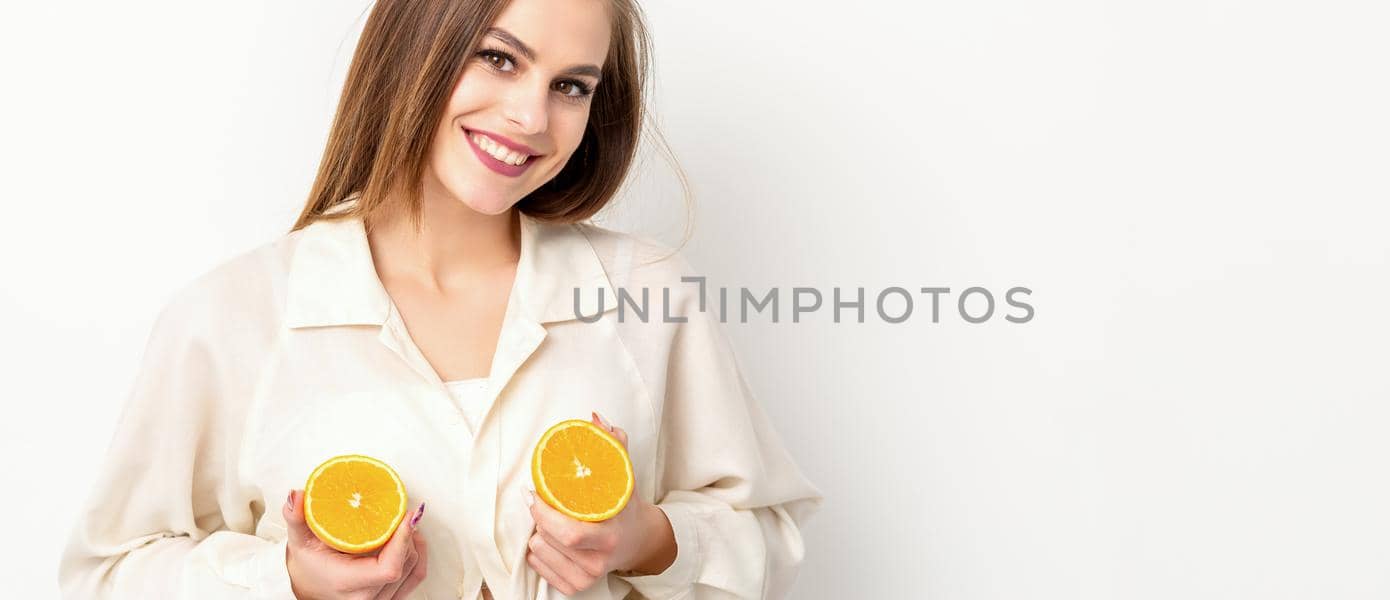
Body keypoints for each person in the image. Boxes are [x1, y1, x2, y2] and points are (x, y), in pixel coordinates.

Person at [56, 0, 823, 598]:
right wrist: (285, 583)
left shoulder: (647, 295)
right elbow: (105, 576)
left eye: (571, 86)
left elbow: (768, 537)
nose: (531, 118)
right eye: (497, 58)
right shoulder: (232, 317)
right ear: (412, 46)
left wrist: (649, 541)